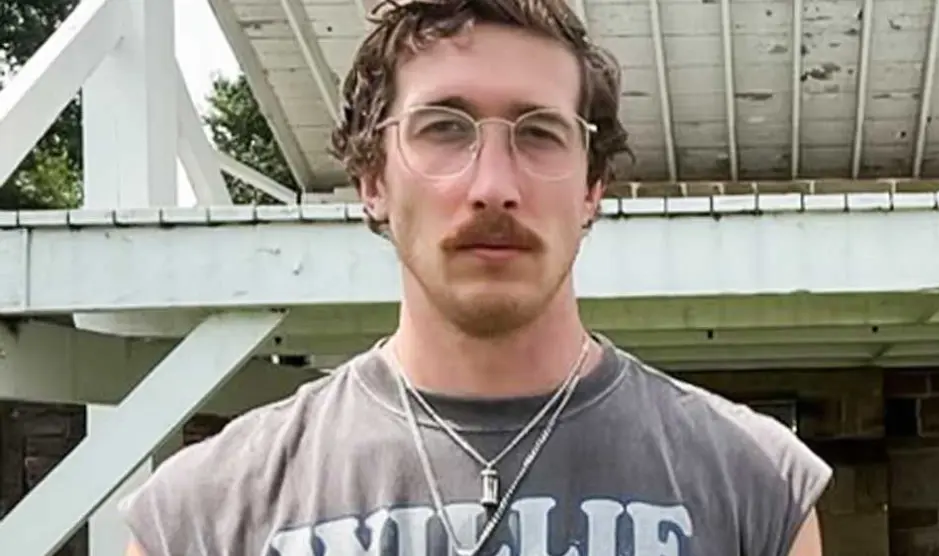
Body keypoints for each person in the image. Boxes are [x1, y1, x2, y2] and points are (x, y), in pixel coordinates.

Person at [122, 0, 832, 554]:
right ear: (372, 179)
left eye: (540, 133)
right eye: (444, 127)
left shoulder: (758, 490)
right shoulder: (201, 515)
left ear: (592, 188)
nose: (494, 187)